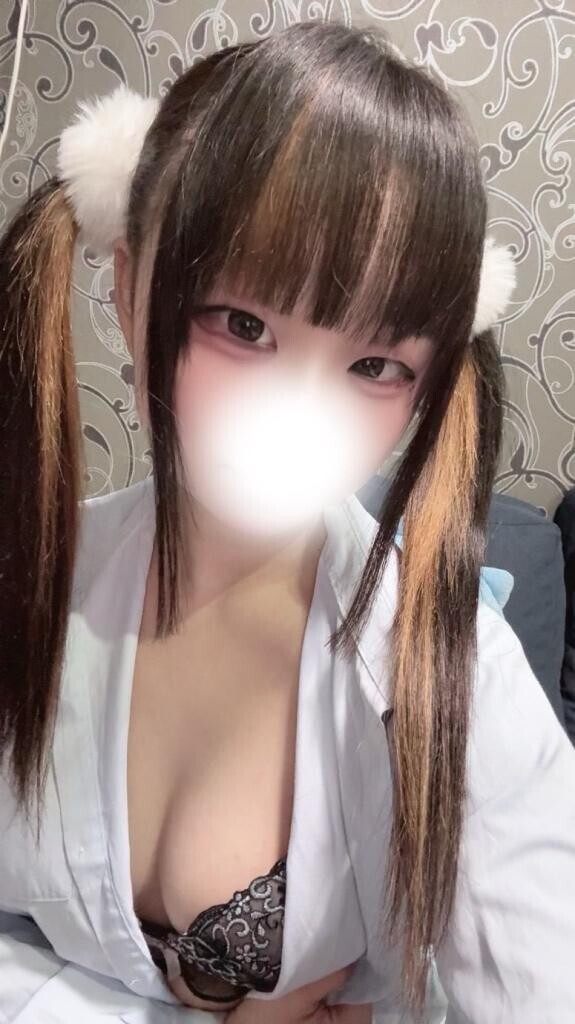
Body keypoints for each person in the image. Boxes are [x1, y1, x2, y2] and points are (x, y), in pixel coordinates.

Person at [0, 20, 574, 1024]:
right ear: (128, 289)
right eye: (243, 324)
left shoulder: (450, 672)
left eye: (373, 366)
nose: (298, 413)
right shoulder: (35, 578)